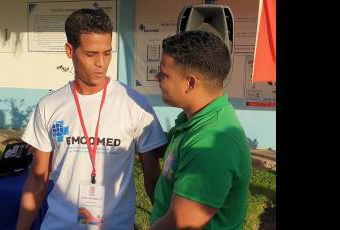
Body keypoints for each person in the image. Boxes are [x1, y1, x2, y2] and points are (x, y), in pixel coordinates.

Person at [16, 8, 167, 230]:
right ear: (69, 50)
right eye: (91, 54)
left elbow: (153, 179)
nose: (101, 63)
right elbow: (38, 178)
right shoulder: (49, 106)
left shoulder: (136, 105)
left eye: (107, 53)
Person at [150, 30, 252, 230]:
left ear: (190, 83)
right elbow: (163, 147)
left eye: (164, 74)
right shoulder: (193, 119)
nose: (156, 77)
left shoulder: (213, 143)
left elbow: (180, 224)